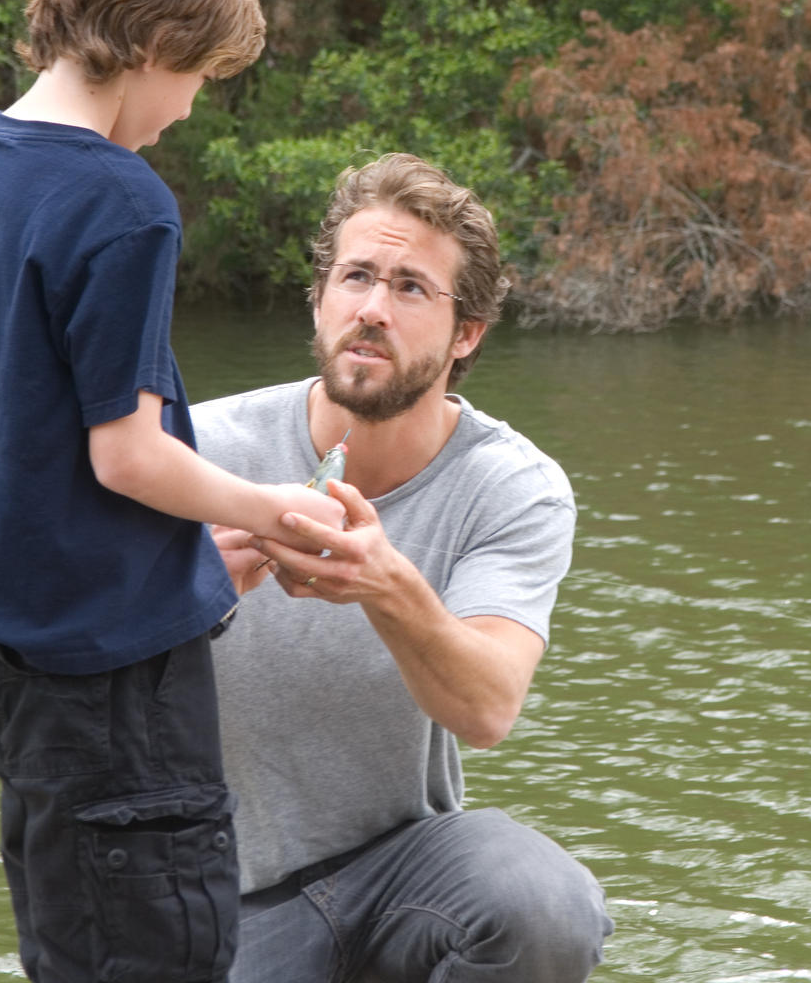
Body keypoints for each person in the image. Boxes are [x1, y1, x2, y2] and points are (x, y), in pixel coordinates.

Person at [0, 0, 342, 983]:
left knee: (69, 944)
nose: (184, 111)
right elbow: (122, 452)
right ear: (157, 39)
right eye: (197, 79)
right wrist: (277, 507)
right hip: (118, 700)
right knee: (159, 949)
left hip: (5, 677)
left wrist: (141, 564)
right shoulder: (123, 202)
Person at [190, 153, 614, 982]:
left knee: (543, 905)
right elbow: (67, 667)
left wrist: (386, 583)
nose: (373, 309)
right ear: (318, 300)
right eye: (356, 277)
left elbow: (487, 708)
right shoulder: (197, 452)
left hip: (405, 871)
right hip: (219, 891)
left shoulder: (513, 485)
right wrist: (186, 593)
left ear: (467, 334)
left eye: (412, 287)